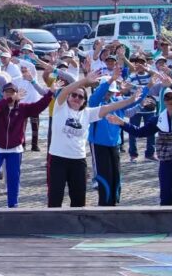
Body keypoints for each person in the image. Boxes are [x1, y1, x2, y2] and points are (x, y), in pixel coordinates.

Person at [47, 71, 140, 208]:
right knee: (55, 198)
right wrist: (84, 81)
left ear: (84, 101)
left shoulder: (88, 113)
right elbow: (65, 90)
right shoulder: (60, 107)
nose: (77, 98)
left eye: (81, 97)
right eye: (74, 95)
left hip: (78, 160)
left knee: (79, 200)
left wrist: (131, 100)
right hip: (57, 159)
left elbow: (109, 107)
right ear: (68, 97)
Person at [113, 73, 172, 206]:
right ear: (164, 100)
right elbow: (140, 132)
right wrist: (122, 123)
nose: (171, 100)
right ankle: (166, 219)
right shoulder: (157, 119)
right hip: (167, 161)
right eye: (167, 97)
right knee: (166, 198)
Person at [0, 76, 54, 208]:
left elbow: (39, 107)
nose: (10, 95)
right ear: (2, 94)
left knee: (13, 178)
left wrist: (50, 93)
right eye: (7, 92)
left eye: (12, 92)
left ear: (17, 94)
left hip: (14, 149)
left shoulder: (23, 108)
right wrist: (10, 99)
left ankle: (13, 204)